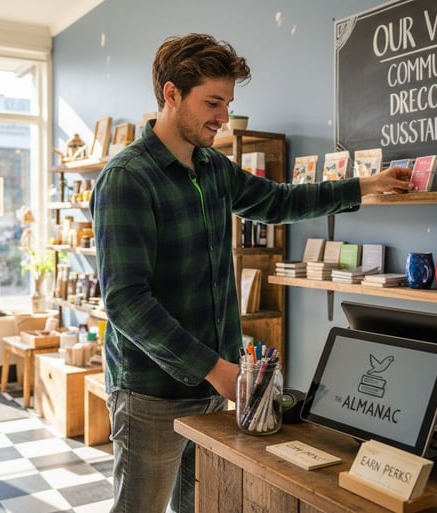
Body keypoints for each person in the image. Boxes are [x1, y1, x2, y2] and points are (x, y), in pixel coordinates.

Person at [89, 33, 413, 513]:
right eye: (212, 103)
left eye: (228, 103)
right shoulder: (127, 179)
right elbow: (126, 303)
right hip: (152, 391)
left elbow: (279, 201)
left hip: (214, 383)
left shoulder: (213, 167)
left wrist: (363, 186)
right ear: (171, 94)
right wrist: (216, 369)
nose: (223, 116)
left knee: (202, 505)